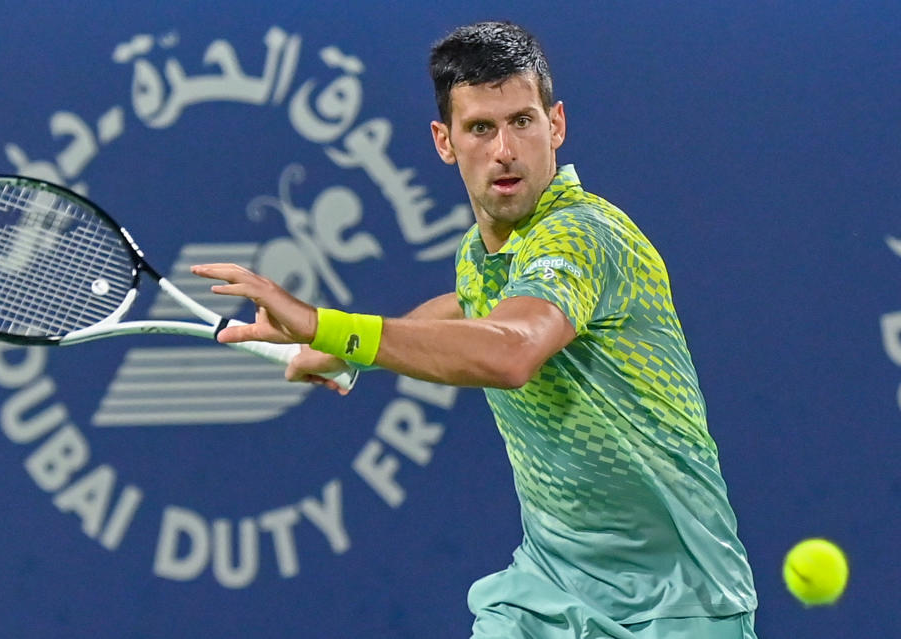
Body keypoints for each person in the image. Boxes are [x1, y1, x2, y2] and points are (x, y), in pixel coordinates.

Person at [192, 20, 758, 639]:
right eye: (481, 129)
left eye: (522, 121)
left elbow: (510, 352)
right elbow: (471, 307)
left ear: (556, 124)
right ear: (445, 140)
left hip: (678, 601)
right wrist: (345, 354)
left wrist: (330, 327)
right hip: (546, 591)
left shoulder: (585, 235)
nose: (505, 150)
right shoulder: (481, 251)